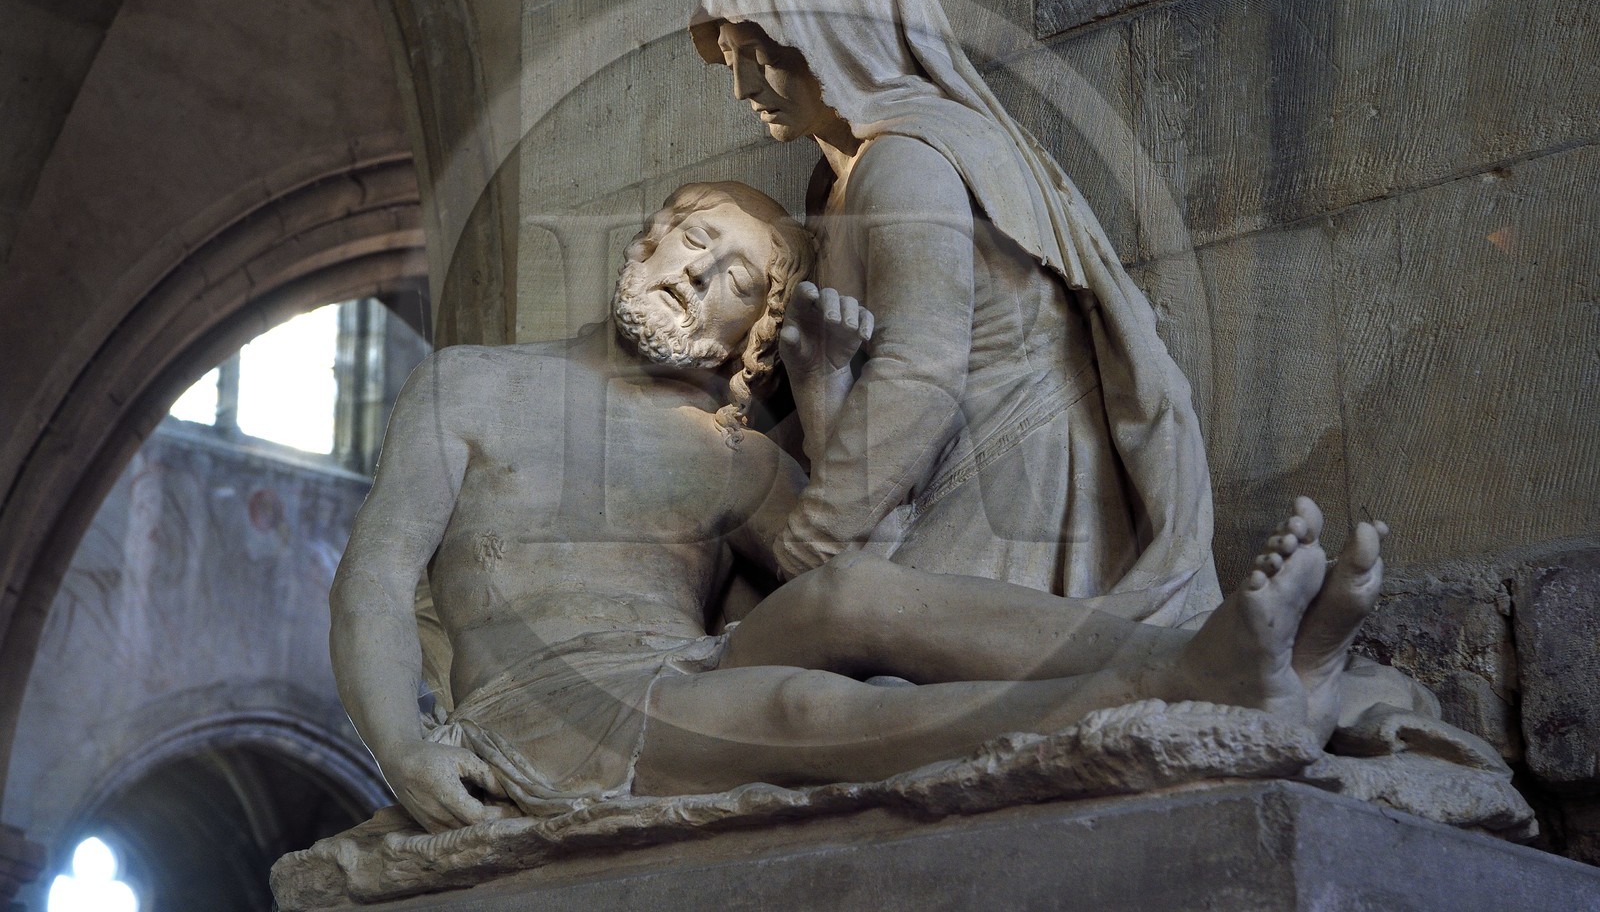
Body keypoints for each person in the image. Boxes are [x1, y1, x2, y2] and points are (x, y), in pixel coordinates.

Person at [329, 179, 1384, 834]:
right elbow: (375, 575)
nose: (699, 272)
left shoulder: (727, 456)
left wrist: (826, 385)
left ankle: (1204, 650)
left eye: (737, 276)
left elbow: (875, 559)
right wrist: (404, 748)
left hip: (677, 671)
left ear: (755, 334)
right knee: (804, 713)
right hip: (548, 717)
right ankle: (1185, 683)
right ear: (642, 239)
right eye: (694, 236)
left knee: (852, 595)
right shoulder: (471, 382)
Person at [691, 0, 1221, 629]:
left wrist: (809, 546)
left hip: (1018, 486)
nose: (742, 87)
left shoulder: (906, 164)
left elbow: (920, 370)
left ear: (834, 35)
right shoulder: (841, 186)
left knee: (857, 692)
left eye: (761, 55)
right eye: (730, 60)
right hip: (929, 480)